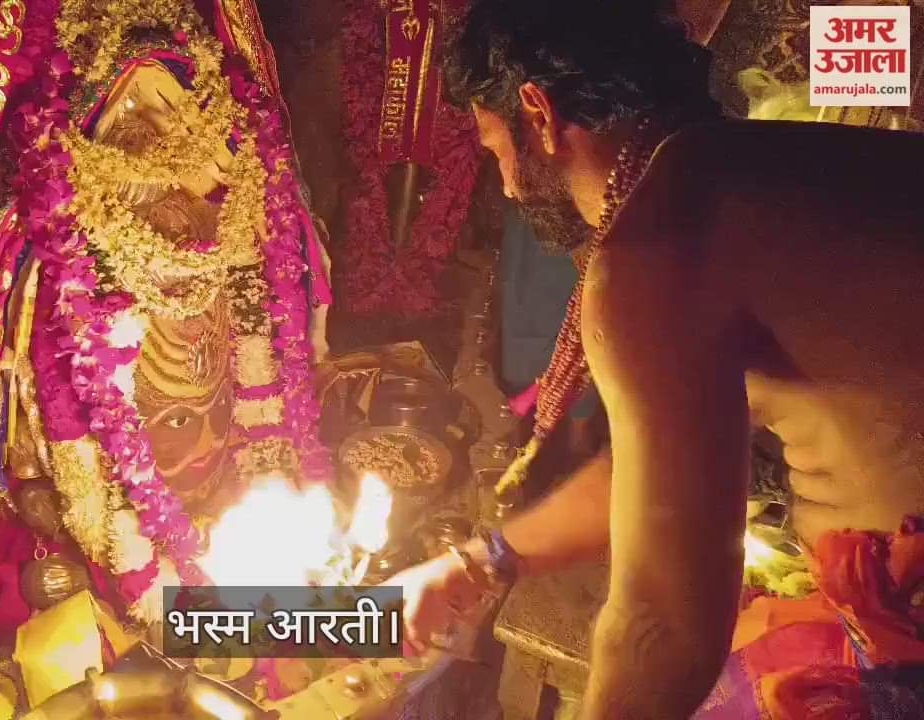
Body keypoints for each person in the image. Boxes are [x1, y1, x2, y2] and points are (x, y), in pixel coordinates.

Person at [389, 1, 924, 718]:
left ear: (536, 112)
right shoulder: (743, 172)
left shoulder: (659, 247)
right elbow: (666, 473)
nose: (509, 188)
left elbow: (664, 630)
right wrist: (482, 561)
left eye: (495, 152)